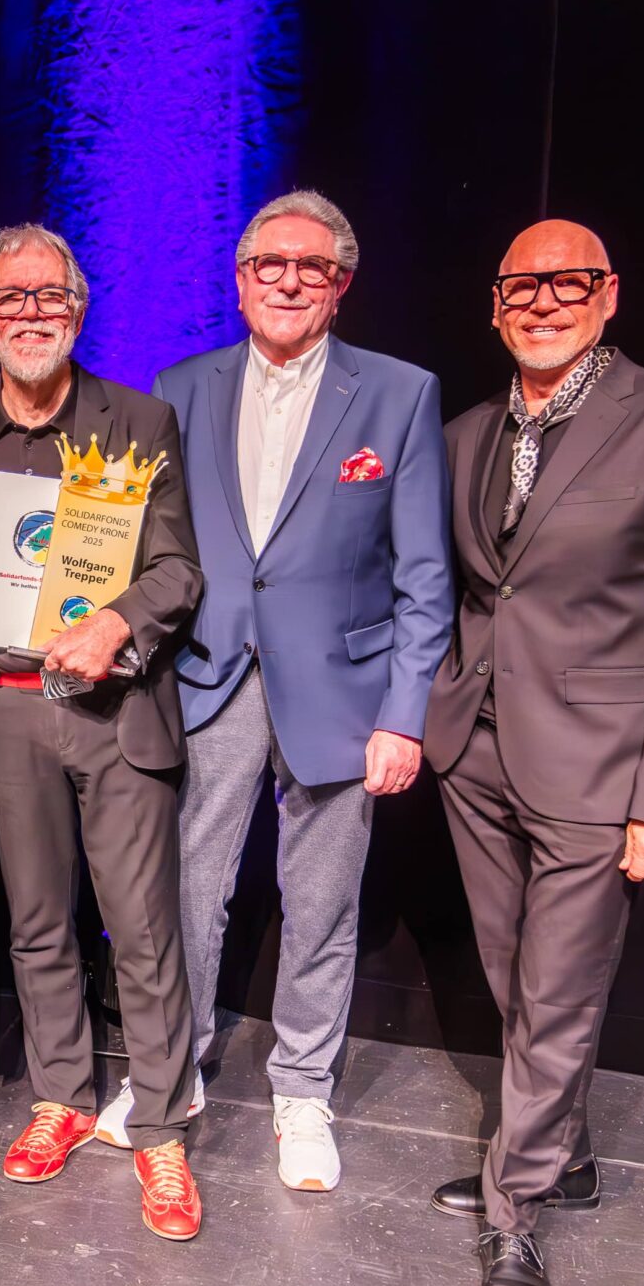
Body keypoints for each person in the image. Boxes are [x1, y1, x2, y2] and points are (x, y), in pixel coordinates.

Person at [423, 219, 644, 1286]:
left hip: (603, 767)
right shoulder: (465, 433)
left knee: (559, 990)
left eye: (568, 282)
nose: (543, 301)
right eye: (521, 285)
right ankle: (558, 1156)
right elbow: (473, 593)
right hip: (476, 752)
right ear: (495, 303)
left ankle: (514, 1211)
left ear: (609, 294)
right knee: (516, 976)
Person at [150, 189, 452, 1194]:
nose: (287, 281)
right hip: (210, 678)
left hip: (342, 695)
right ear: (239, 282)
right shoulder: (180, 387)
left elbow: (424, 575)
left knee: (321, 904)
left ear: (340, 285)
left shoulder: (399, 393)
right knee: (186, 892)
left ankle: (303, 1091)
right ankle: (173, 1073)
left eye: (309, 267)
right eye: (267, 266)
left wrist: (402, 715)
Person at [0, 223, 207, 1241]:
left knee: (141, 927)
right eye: (13, 297)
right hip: (3, 708)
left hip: (113, 709)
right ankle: (61, 1096)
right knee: (37, 920)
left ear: (79, 310)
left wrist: (117, 621)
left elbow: (178, 569)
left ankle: (161, 1128)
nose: (32, 312)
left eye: (50, 295)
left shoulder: (140, 421)